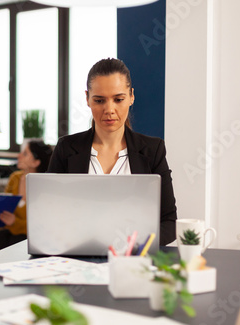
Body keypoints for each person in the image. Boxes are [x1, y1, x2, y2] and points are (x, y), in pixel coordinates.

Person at [47, 58, 177, 245]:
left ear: (131, 96)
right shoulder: (66, 149)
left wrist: (135, 246)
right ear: (87, 99)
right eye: (99, 100)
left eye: (118, 99)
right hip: (77, 258)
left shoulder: (152, 150)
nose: (109, 109)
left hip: (133, 260)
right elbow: (50, 216)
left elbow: (169, 222)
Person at [0, 140, 53, 250]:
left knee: (17, 240)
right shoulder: (15, 178)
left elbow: (42, 226)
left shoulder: (45, 186)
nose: (19, 156)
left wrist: (15, 222)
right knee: (2, 236)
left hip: (34, 235)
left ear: (36, 162)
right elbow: (6, 208)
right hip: (11, 231)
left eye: (25, 153)